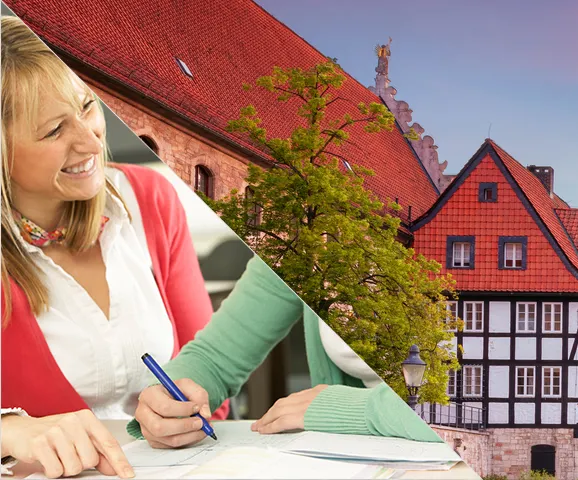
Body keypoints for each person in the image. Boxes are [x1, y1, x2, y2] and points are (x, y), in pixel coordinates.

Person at [0, 14, 210, 478]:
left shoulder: (150, 201)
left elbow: (206, 358)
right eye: (54, 130)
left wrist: (190, 402)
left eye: (89, 106)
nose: (91, 140)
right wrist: (9, 430)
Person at [130, 256, 444, 447]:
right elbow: (214, 357)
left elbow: (468, 404)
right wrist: (168, 401)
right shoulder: (301, 229)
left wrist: (352, 410)